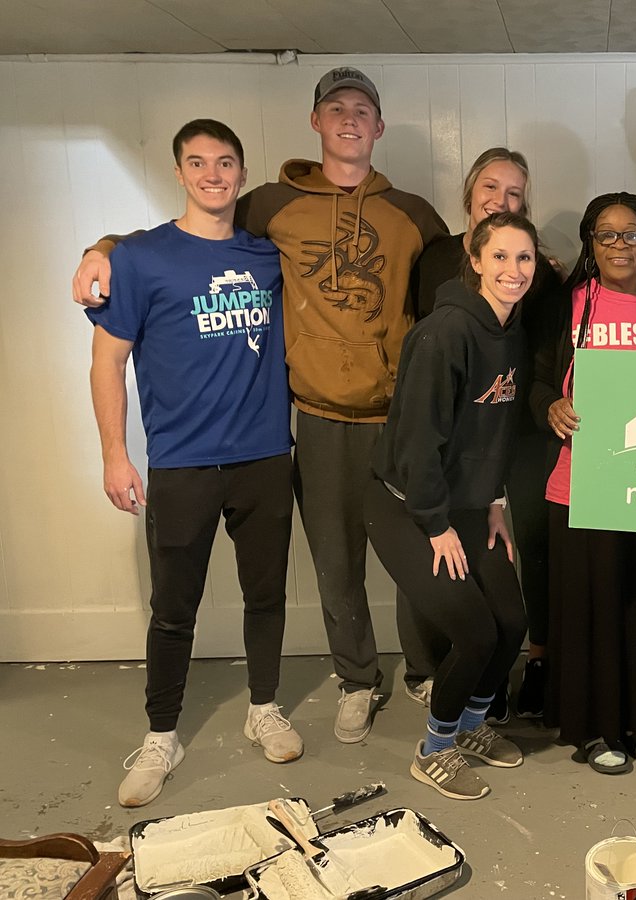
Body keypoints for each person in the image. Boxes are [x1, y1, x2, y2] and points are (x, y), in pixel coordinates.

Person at [71, 68, 448, 744]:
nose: (350, 119)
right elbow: (187, 235)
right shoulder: (271, 205)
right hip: (315, 414)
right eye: (337, 108)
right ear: (317, 123)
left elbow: (458, 285)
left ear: (380, 125)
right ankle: (358, 680)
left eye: (363, 109)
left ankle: (424, 668)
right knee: (336, 563)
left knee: (415, 554)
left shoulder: (414, 213)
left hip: (394, 416)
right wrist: (101, 248)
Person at [86, 119, 300, 808]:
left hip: (265, 455)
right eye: (198, 162)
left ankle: (263, 707)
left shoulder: (268, 255)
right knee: (172, 608)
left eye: (226, 162)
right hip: (180, 462)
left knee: (267, 595)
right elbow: (107, 361)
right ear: (179, 172)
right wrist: (115, 455)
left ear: (242, 171)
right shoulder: (141, 258)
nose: (213, 174)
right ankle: (161, 735)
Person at [363, 212, 535, 801]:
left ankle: (469, 726)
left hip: (465, 504)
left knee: (512, 621)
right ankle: (434, 748)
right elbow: (418, 442)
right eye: (502, 257)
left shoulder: (511, 330)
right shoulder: (445, 333)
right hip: (406, 505)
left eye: (524, 258)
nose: (513, 270)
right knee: (475, 631)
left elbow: (496, 430)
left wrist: (493, 500)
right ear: (477, 260)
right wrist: (435, 526)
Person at [531, 192, 636, 775]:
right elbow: (538, 382)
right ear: (590, 246)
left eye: (631, 234)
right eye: (606, 235)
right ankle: (596, 728)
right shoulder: (566, 305)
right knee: (591, 607)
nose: (620, 245)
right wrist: (551, 406)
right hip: (581, 484)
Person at [408, 148, 561, 723]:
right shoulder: (436, 269)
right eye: (490, 187)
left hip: (509, 439)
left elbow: (538, 350)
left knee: (513, 566)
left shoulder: (537, 271)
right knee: (446, 573)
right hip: (443, 449)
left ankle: (509, 681)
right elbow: (427, 358)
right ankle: (449, 677)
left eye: (515, 192)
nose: (501, 199)